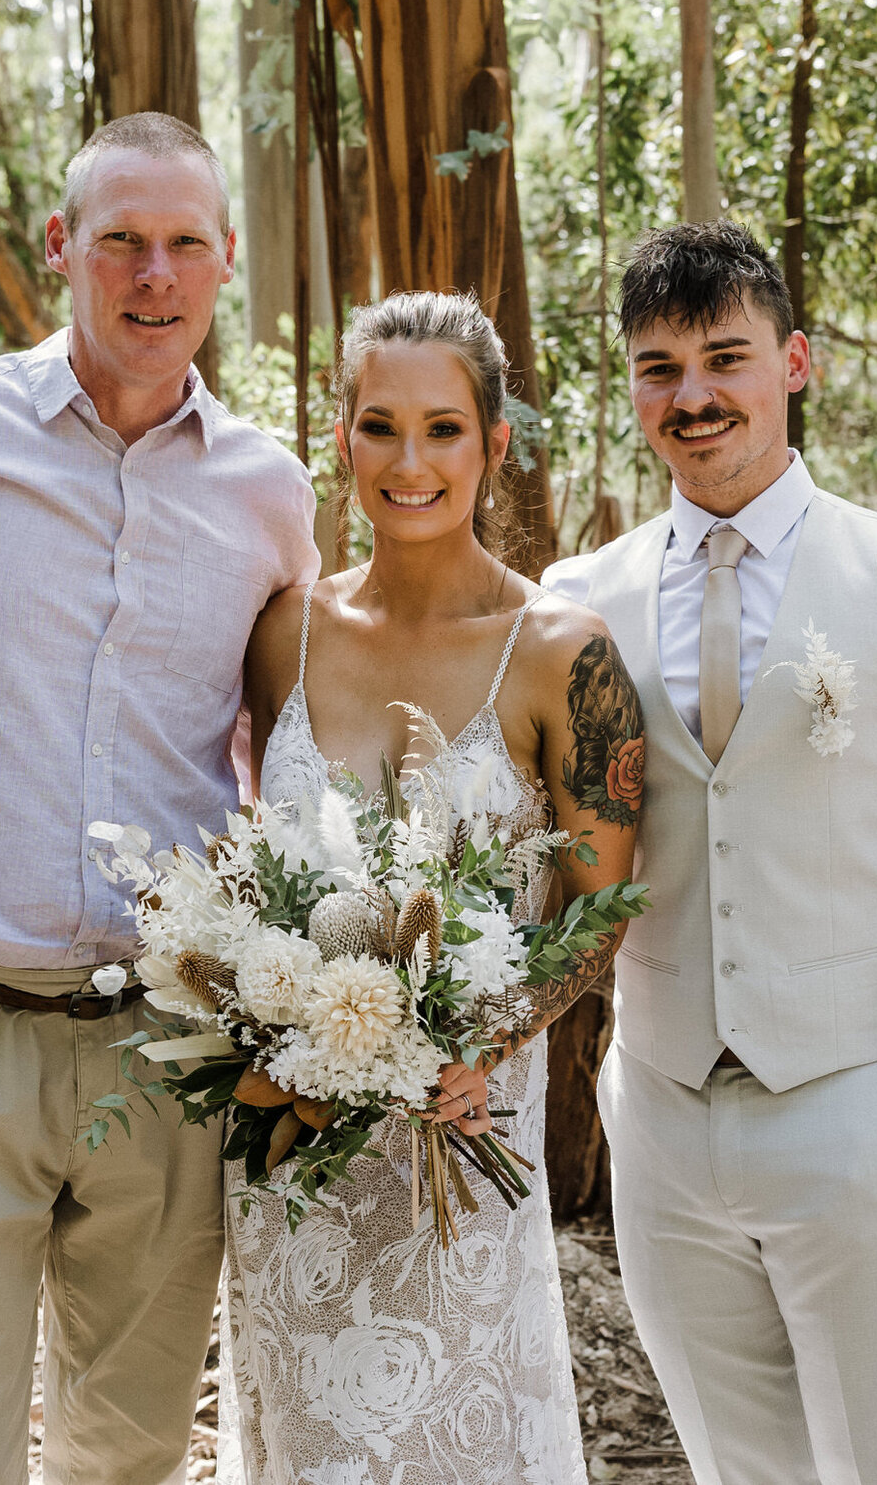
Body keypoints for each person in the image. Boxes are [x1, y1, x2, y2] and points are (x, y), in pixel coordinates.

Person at [540, 223, 877, 1485]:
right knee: (737, 1471)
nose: (695, 395)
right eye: (658, 367)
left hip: (854, 1107)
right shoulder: (576, 598)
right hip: (657, 1115)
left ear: (797, 363)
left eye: (726, 356)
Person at [0, 112, 319, 1485]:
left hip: (164, 1047)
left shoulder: (269, 493)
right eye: (120, 238)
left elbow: (286, 745)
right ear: (62, 247)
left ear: (228, 260)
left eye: (183, 243)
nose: (151, 273)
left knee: (129, 1449)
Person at [215, 291, 644, 1485]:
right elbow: (259, 866)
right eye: (380, 426)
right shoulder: (282, 632)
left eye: (444, 429)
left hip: (463, 1132)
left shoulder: (565, 649)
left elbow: (597, 916)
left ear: (496, 442)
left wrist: (479, 1042)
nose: (410, 463)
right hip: (290, 1143)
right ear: (340, 435)